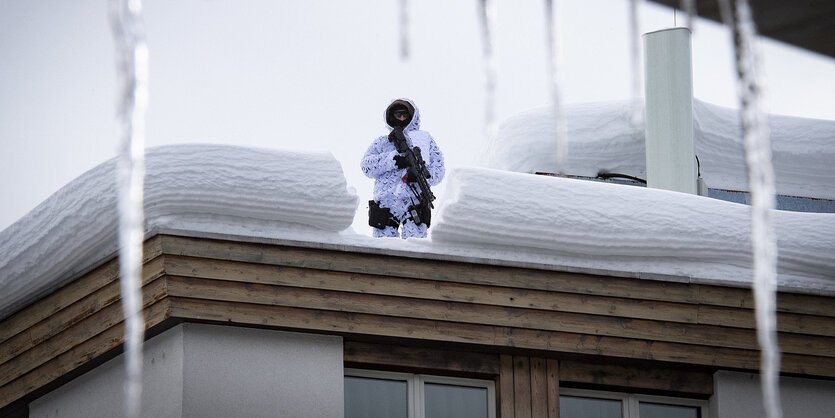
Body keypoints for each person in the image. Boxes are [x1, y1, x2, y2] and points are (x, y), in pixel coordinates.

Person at [361, 98, 445, 238]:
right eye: (397, 115)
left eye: (405, 115)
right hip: (386, 201)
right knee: (383, 249)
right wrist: (393, 160)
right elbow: (366, 167)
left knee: (414, 247)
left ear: (412, 117)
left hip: (415, 200)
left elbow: (438, 172)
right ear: (390, 117)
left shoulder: (424, 140)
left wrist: (420, 175)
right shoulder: (382, 142)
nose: (401, 118)